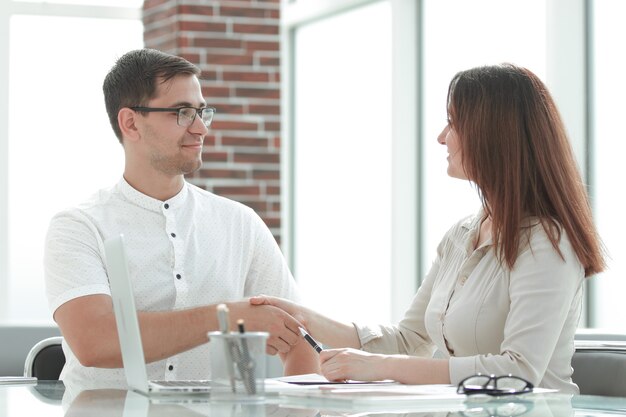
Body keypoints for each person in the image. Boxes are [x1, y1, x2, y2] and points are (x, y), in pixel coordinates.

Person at [251, 63, 605, 394]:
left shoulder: (547, 243)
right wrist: (303, 317)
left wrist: (378, 367)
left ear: (493, 135)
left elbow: (518, 372)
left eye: (452, 123)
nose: (441, 137)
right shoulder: (460, 235)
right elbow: (410, 338)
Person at [44, 48, 319, 383]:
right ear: (131, 123)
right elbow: (96, 341)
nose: (201, 129)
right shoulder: (78, 227)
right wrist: (226, 318)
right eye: (182, 112)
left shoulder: (240, 224)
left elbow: (302, 339)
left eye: (202, 112)